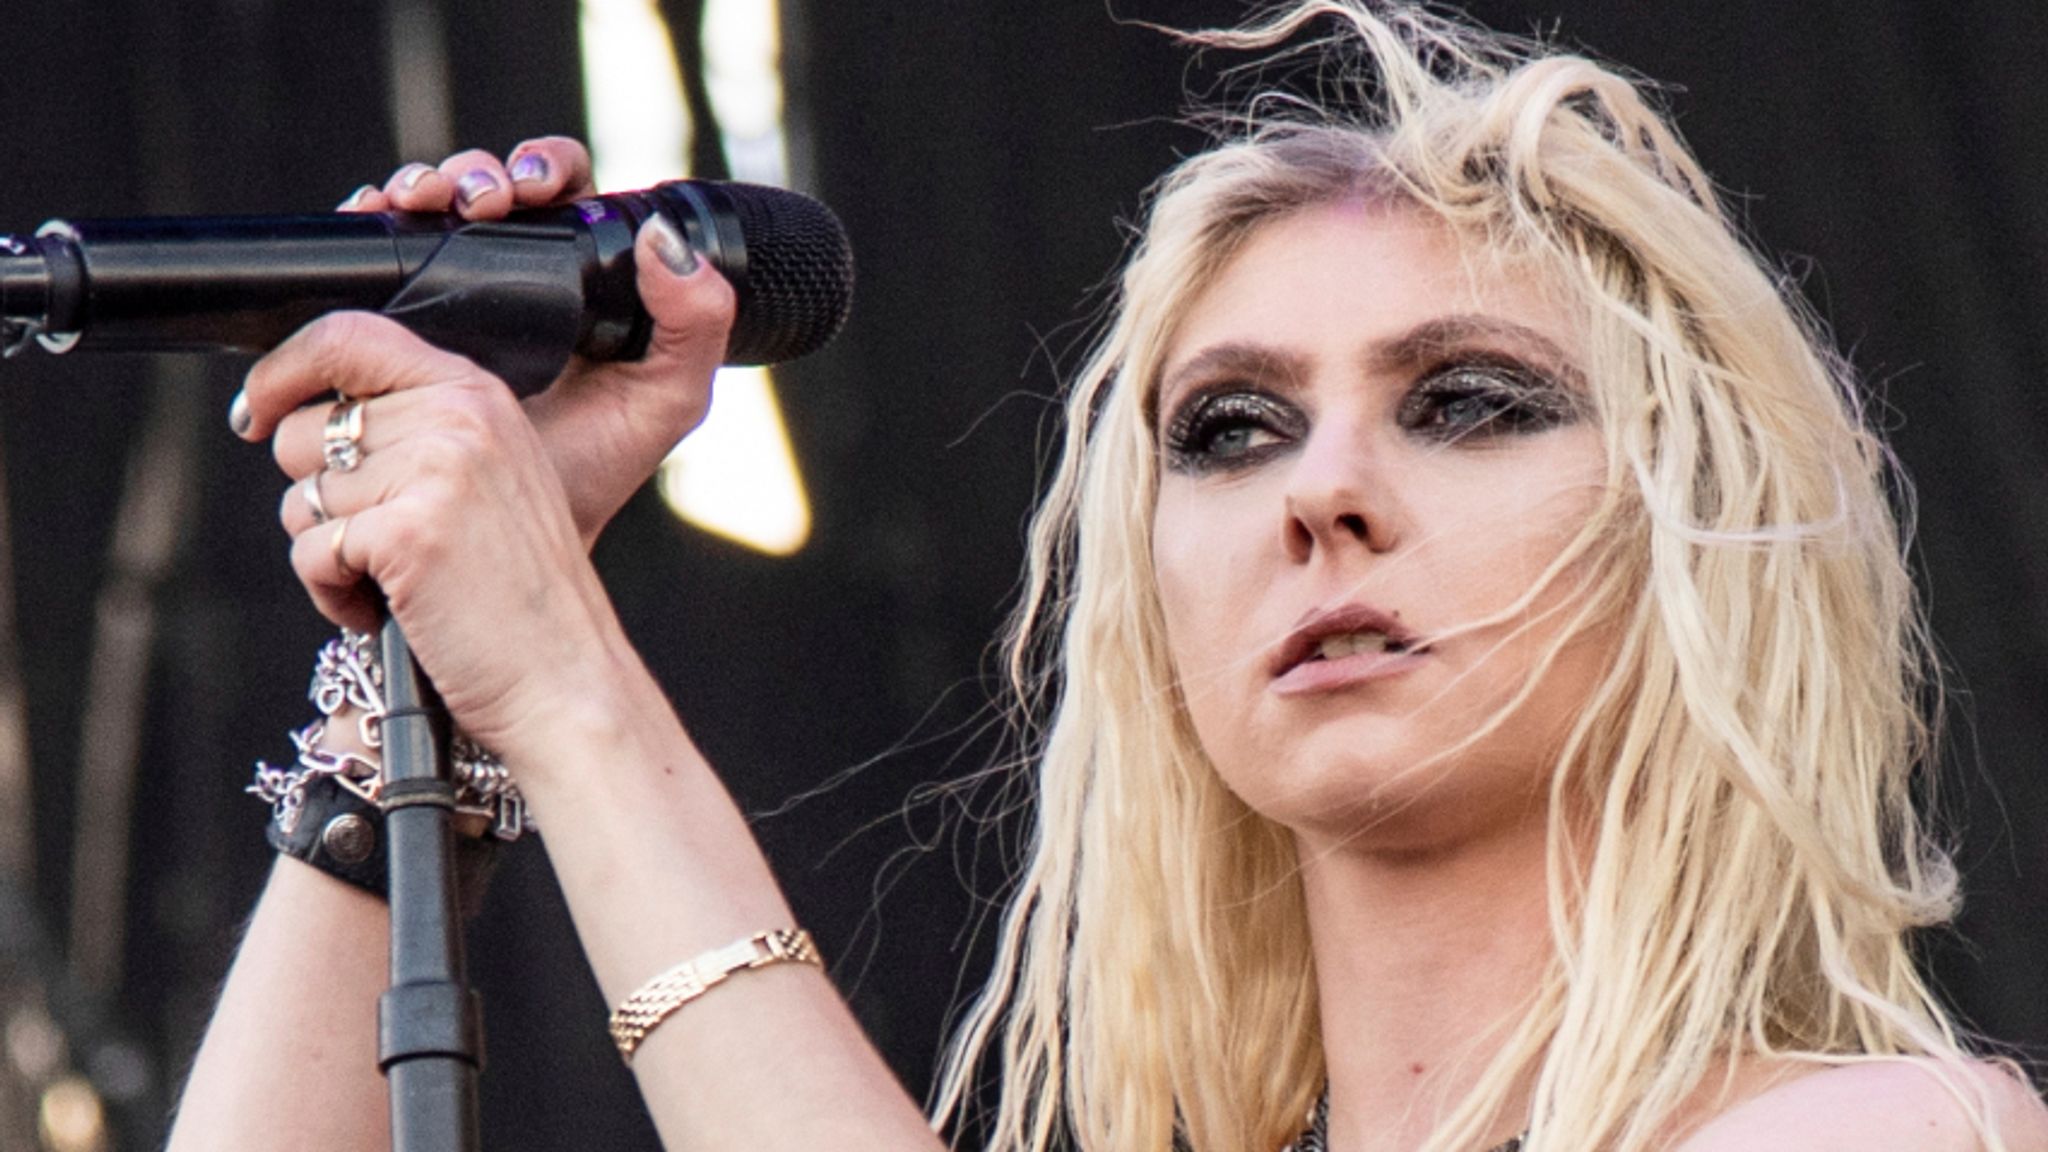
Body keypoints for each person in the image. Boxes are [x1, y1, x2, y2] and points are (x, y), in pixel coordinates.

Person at [165, 3, 2048, 1151]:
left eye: (1469, 402)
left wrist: (567, 680)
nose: (1327, 494)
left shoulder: (1896, 1135)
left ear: (1690, 541)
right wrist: (423, 665)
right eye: (1231, 429)